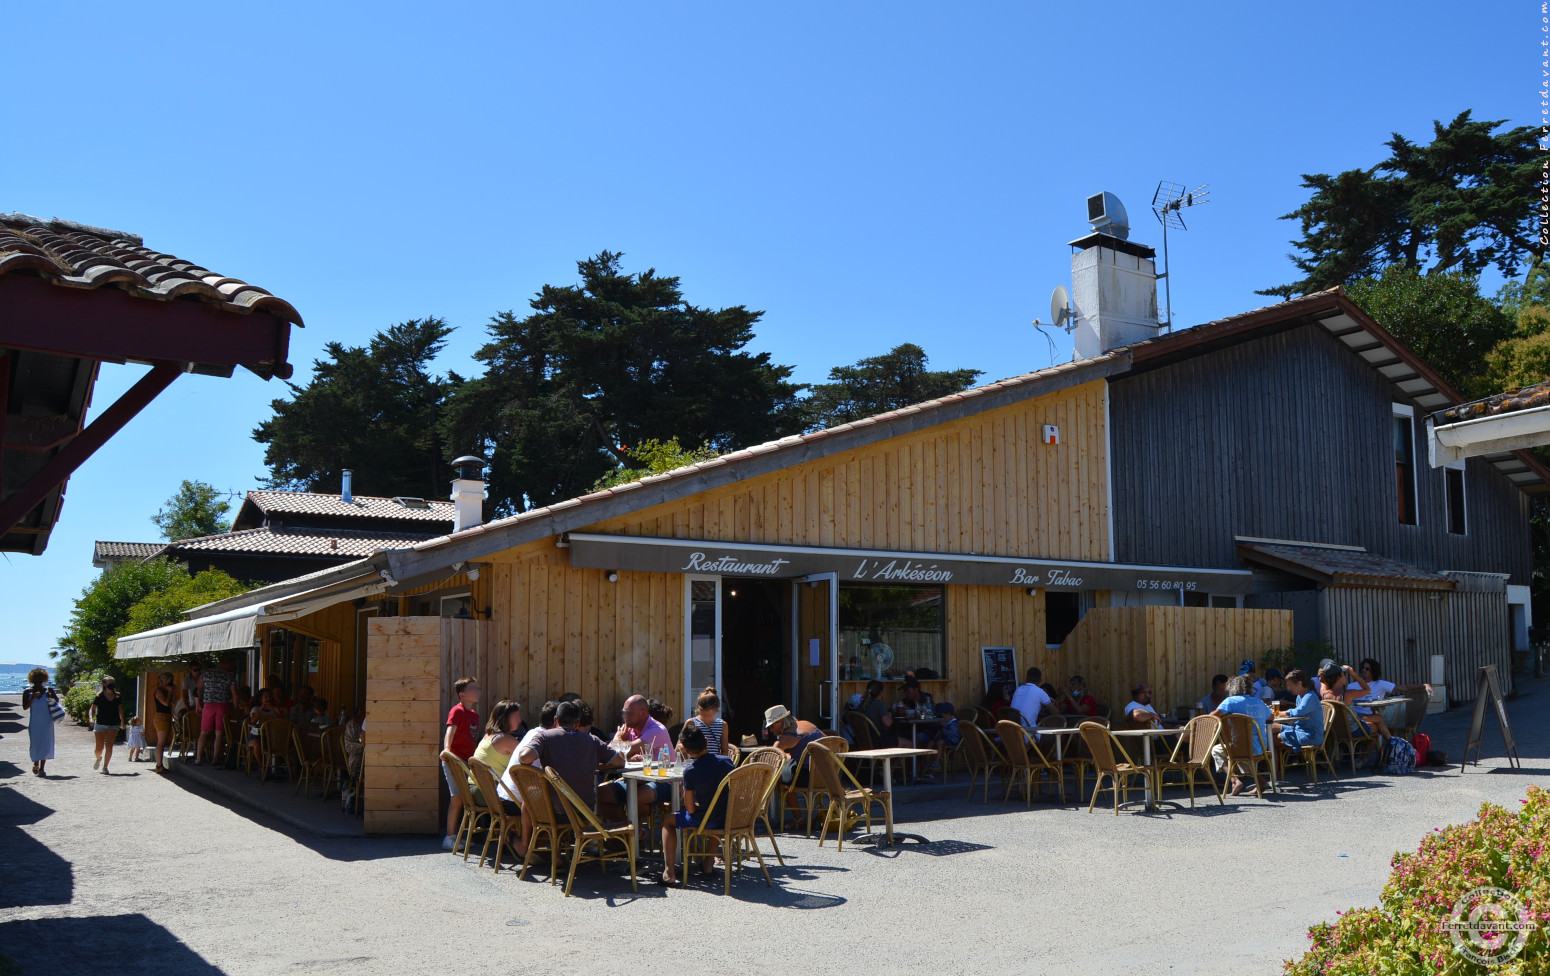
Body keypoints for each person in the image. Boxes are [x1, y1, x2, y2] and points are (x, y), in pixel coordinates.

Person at [516, 700, 624, 821]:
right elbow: (620, 761)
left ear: (556, 720)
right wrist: (595, 765)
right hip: (584, 813)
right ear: (577, 723)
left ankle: (528, 840)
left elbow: (524, 757)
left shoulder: (544, 737)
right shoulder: (593, 741)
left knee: (528, 803)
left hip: (553, 813)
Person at [659, 723, 734, 885]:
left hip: (708, 819)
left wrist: (699, 806)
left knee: (668, 820)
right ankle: (707, 865)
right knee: (716, 810)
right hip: (730, 816)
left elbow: (691, 808)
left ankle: (669, 870)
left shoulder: (691, 771)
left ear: (688, 751)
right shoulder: (727, 762)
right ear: (706, 741)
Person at [600, 694, 674, 818]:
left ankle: (634, 832)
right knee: (600, 794)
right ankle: (627, 832)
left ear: (643, 712)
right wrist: (618, 740)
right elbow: (611, 754)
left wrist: (618, 739)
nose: (625, 717)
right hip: (637, 781)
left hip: (664, 781)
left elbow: (625, 750)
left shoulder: (657, 730)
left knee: (638, 796)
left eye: (629, 713)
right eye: (623, 713)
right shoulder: (630, 730)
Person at [1211, 674, 1274, 795]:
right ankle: (1261, 782)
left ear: (1232, 688)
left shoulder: (1230, 702)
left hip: (1239, 748)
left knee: (1217, 750)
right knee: (1244, 755)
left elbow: (1213, 716)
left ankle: (1234, 780)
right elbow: (1271, 716)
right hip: (1260, 748)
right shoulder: (1259, 702)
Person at [441, 677, 482, 851]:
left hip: (467, 762)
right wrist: (447, 751)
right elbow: (450, 730)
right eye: (473, 688)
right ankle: (449, 838)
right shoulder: (457, 711)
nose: (477, 691)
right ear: (462, 694)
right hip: (455, 760)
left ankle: (459, 836)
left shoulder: (474, 715)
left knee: (466, 799)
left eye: (478, 688)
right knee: (456, 798)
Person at [468, 700, 523, 814]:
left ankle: (510, 831)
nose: (520, 720)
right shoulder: (504, 738)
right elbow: (528, 757)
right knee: (531, 805)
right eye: (516, 716)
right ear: (505, 718)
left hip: (475, 788)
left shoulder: (488, 736)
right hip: (488, 792)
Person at [195, 655, 237, 766]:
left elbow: (198, 689)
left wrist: (198, 704)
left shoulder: (206, 673)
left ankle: (198, 758)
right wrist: (236, 709)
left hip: (208, 705)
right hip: (223, 705)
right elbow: (234, 694)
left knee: (203, 732)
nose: (232, 667)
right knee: (219, 733)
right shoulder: (229, 676)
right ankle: (215, 759)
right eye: (231, 665)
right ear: (227, 664)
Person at [1271, 669, 1325, 754]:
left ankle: (1277, 766)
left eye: (1290, 685)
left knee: (1272, 739)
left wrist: (1278, 713)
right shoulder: (1299, 697)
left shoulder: (1310, 696)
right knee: (1270, 728)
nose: (1288, 689)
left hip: (1311, 735)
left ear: (1299, 683)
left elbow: (1298, 712)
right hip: (1299, 729)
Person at [22, 667, 57, 777]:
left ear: (44, 680)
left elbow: (56, 702)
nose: (38, 684)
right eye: (36, 681)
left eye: (40, 681)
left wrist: (52, 695)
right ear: (32, 681)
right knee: (35, 743)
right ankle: (35, 762)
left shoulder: (48, 691)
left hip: (47, 722)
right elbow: (25, 707)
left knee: (45, 743)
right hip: (34, 722)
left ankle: (42, 768)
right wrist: (32, 698)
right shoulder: (28, 692)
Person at [89, 676, 124, 774]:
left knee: (109, 746)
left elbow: (120, 709)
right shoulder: (99, 696)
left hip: (114, 723)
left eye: (113, 682)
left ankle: (105, 767)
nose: (111, 684)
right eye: (109, 682)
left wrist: (122, 721)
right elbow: (92, 708)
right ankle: (98, 758)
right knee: (99, 748)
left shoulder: (117, 696)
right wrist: (91, 718)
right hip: (100, 723)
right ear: (104, 684)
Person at [245, 688, 286, 769]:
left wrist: (272, 710)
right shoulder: (256, 709)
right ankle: (262, 767)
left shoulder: (275, 710)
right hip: (256, 736)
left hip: (270, 737)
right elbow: (252, 721)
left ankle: (273, 765)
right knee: (256, 744)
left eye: (270, 697)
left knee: (279, 745)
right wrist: (260, 710)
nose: (268, 699)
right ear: (261, 699)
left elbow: (281, 722)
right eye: (266, 697)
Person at [685, 687, 730, 757]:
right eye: (703, 715)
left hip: (714, 764)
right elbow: (680, 746)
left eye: (709, 715)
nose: (706, 718)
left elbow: (724, 751)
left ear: (716, 711)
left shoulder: (723, 725)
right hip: (695, 764)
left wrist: (718, 764)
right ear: (699, 710)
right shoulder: (691, 723)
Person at [859, 680, 899, 745]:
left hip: (864, 741)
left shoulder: (861, 705)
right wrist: (890, 715)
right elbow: (888, 723)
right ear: (880, 692)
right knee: (911, 744)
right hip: (880, 741)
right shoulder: (879, 705)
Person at [151, 671, 175, 772]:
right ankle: (159, 765)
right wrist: (170, 692)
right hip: (161, 717)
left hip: (166, 716)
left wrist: (172, 691)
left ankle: (160, 765)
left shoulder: (165, 690)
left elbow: (172, 701)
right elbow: (165, 703)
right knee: (160, 742)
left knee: (162, 742)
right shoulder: (159, 691)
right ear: (165, 681)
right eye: (170, 681)